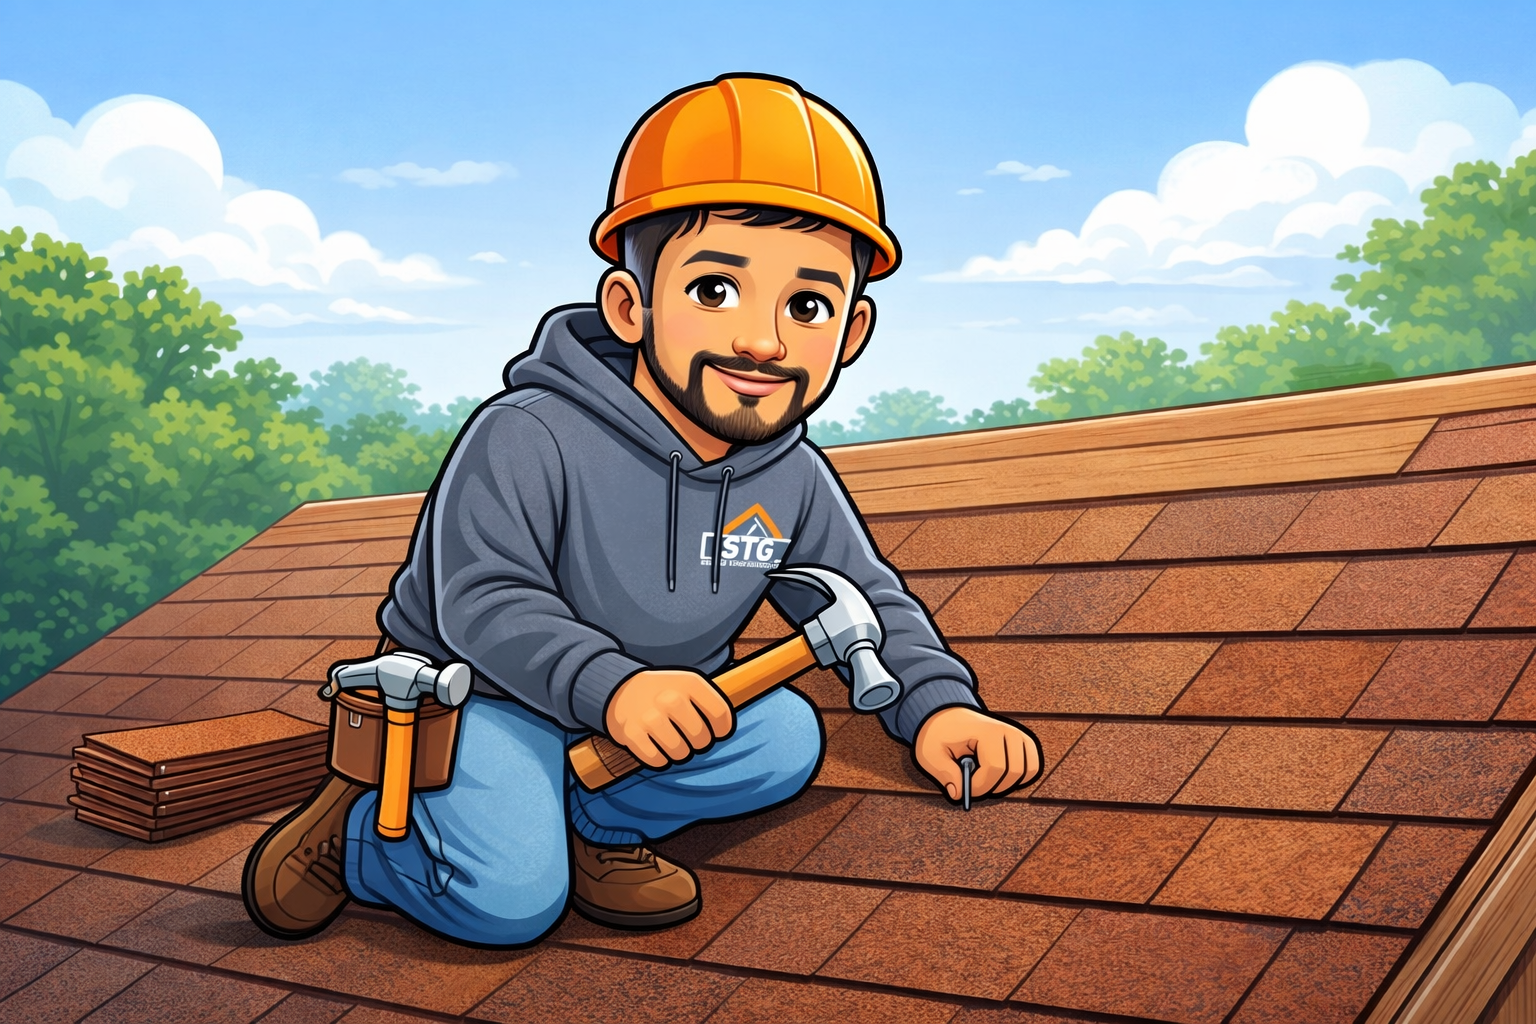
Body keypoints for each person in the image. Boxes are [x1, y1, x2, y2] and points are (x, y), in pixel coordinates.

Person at [243, 73, 1042, 948]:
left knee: (784, 740)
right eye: (715, 292)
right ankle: (367, 831)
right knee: (507, 905)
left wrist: (940, 708)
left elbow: (867, 598)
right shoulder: (527, 432)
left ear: (852, 332)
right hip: (483, 698)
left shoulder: (794, 476)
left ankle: (597, 825)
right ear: (630, 306)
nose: (762, 340)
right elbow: (485, 603)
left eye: (807, 305)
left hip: (659, 710)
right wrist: (613, 689)